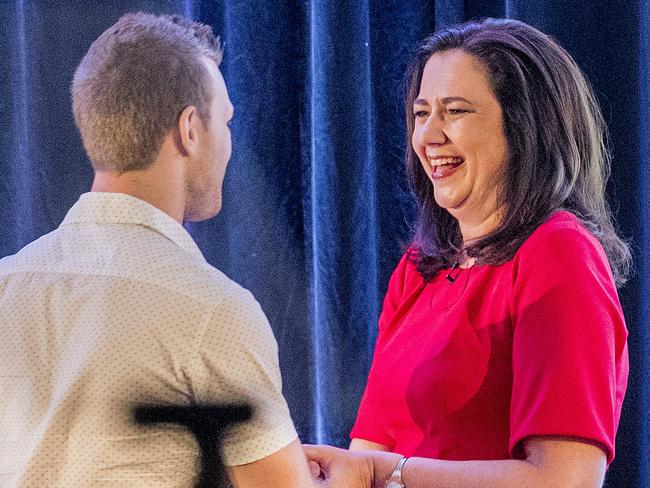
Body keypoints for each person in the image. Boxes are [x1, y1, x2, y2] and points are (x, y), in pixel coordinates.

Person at [305, 18, 631, 488]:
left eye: (453, 111)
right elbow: (368, 451)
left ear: (523, 128)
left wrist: (385, 474)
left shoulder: (560, 253)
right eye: (421, 114)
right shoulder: (419, 268)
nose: (428, 136)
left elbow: (568, 479)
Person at [0, 12, 316, 488]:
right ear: (189, 129)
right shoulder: (213, 311)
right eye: (225, 122)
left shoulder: (6, 284)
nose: (229, 143)